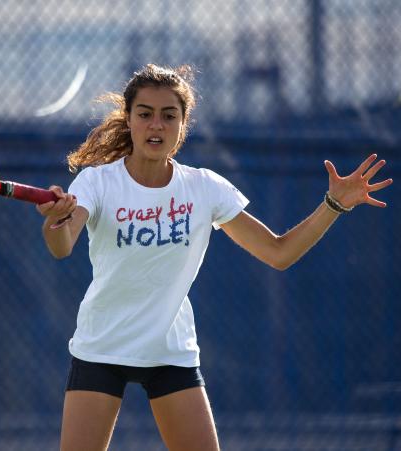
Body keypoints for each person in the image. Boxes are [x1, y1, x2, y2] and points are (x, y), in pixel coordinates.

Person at [36, 64, 393, 451]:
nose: (156, 125)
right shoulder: (97, 182)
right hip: (101, 346)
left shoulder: (204, 188)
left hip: (169, 352)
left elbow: (279, 252)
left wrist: (333, 204)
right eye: (145, 114)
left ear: (182, 124)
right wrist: (55, 223)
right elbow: (63, 244)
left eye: (168, 116)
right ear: (129, 119)